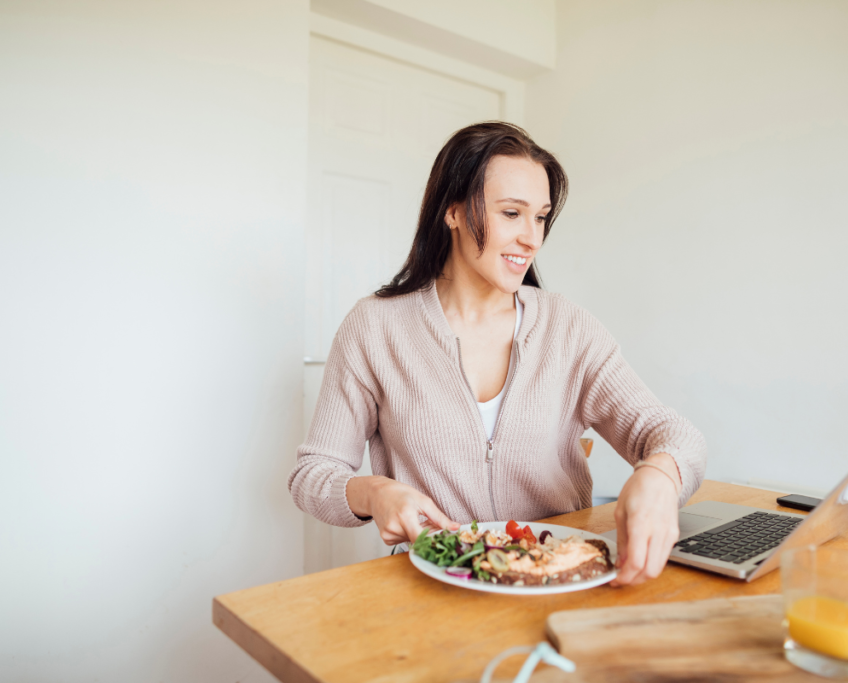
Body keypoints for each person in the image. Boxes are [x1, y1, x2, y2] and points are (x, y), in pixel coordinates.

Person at [289, 122, 707, 586]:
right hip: (435, 589)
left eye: (541, 217)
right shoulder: (375, 328)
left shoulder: (567, 328)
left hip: (558, 580)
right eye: (512, 213)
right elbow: (313, 474)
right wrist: (373, 492)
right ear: (452, 211)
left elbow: (674, 435)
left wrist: (659, 476)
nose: (532, 238)